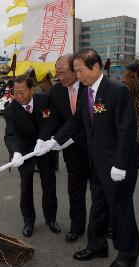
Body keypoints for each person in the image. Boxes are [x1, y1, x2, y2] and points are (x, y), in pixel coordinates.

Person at [38, 48, 139, 267]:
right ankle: (97, 246)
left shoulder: (117, 91)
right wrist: (54, 141)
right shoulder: (86, 92)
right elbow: (77, 121)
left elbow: (127, 131)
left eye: (80, 70)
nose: (78, 75)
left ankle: (127, 254)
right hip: (98, 162)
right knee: (99, 207)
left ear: (95, 66)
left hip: (118, 165)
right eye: (75, 70)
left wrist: (120, 164)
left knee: (120, 210)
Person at [41, 54, 90, 243]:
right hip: (72, 151)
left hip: (95, 149)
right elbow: (54, 118)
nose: (58, 77)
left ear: (76, 70)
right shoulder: (56, 91)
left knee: (100, 190)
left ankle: (106, 225)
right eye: (56, 73)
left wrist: (67, 137)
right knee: (75, 189)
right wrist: (45, 139)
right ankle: (77, 226)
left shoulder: (89, 87)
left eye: (62, 73)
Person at [4, 75, 60, 238]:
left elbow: (52, 120)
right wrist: (15, 152)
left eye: (22, 92)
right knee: (26, 187)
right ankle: (29, 221)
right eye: (15, 92)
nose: (19, 96)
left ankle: (51, 219)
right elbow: (10, 134)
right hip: (24, 152)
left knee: (49, 185)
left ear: (31, 89)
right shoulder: (10, 110)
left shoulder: (44, 100)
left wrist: (43, 139)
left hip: (44, 149)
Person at [122, 62, 139, 142]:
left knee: (129, 131)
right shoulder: (137, 83)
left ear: (128, 72)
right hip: (136, 107)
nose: (124, 72)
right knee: (136, 127)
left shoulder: (127, 83)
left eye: (125, 70)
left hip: (128, 108)